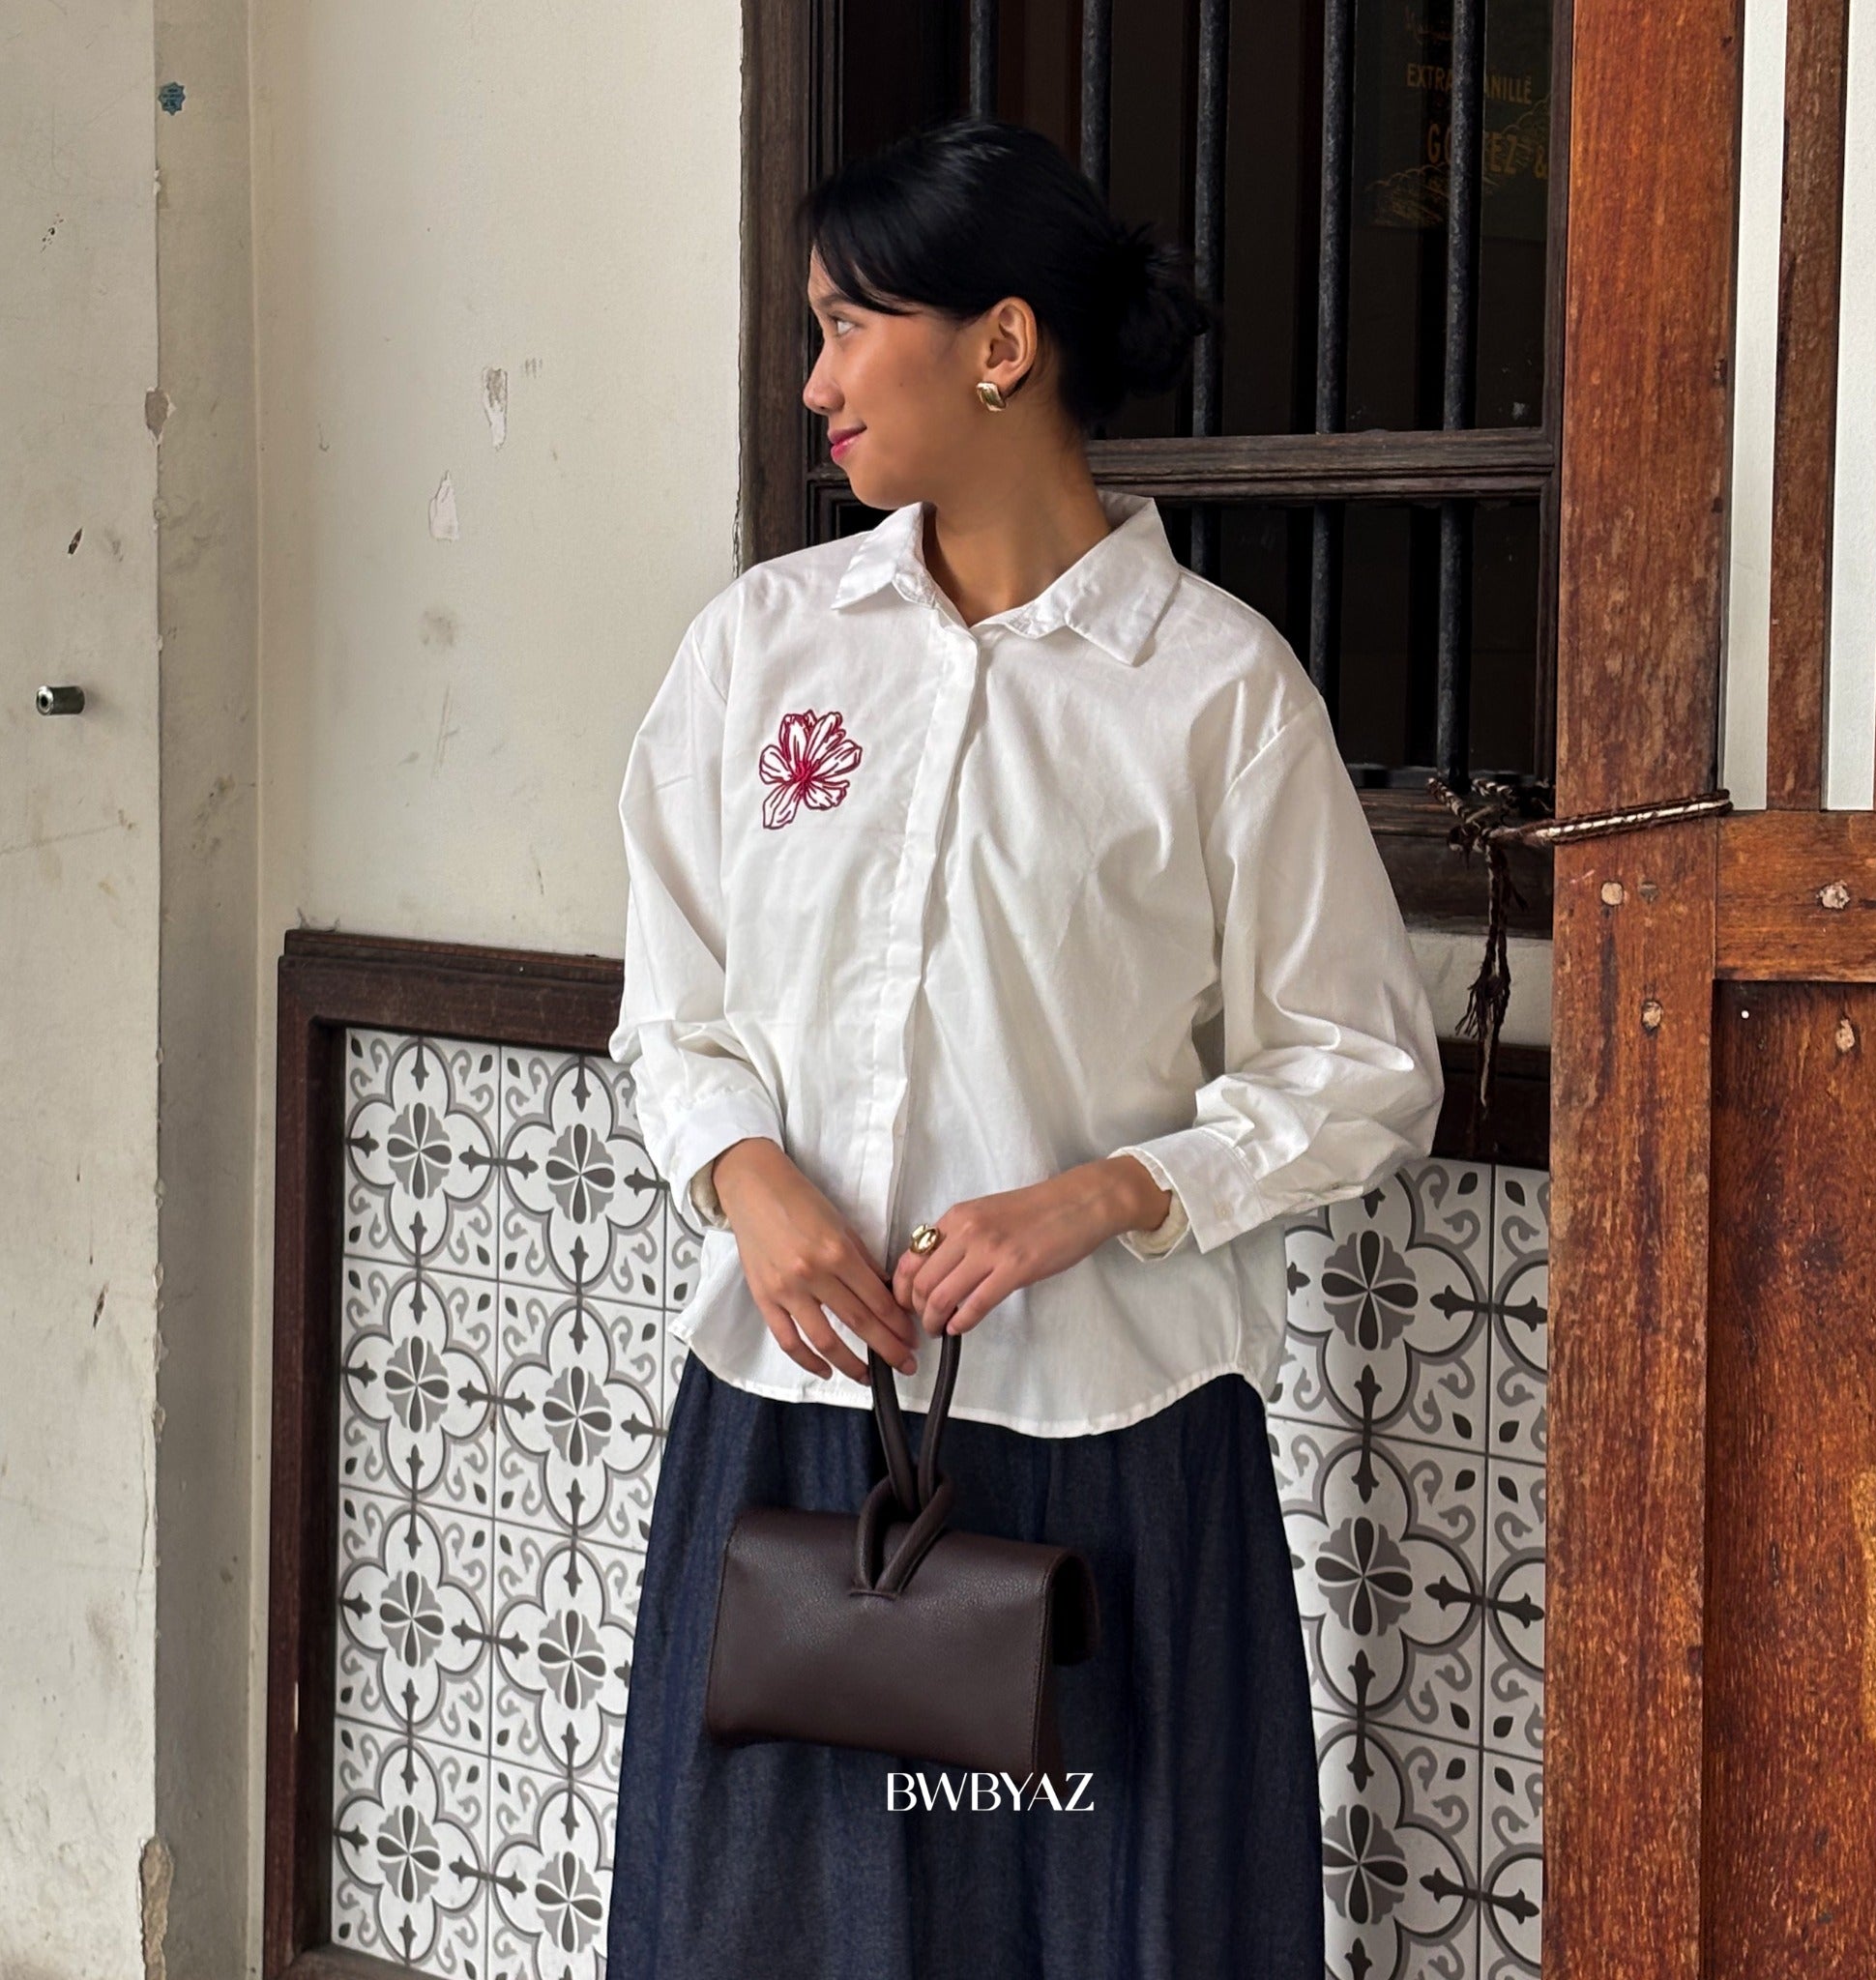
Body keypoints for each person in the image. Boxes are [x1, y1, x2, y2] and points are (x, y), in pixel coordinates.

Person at [603, 113, 1444, 1980]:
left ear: (1000, 346)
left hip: (1105, 1452)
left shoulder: (1215, 690)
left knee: (1093, 1919)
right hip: (795, 1436)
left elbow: (1364, 1060)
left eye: (845, 326)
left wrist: (1110, 1193)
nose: (813, 381)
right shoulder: (762, 651)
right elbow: (676, 1003)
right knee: (771, 1928)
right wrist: (751, 1185)